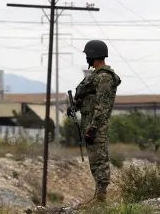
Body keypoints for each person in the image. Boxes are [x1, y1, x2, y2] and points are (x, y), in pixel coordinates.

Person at [67, 40, 121, 206]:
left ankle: (101, 198)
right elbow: (88, 98)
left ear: (93, 55)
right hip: (90, 124)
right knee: (94, 161)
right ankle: (98, 197)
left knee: (99, 161)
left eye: (87, 55)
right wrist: (74, 106)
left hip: (96, 127)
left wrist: (93, 128)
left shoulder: (104, 77)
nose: (86, 58)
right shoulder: (95, 76)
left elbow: (102, 106)